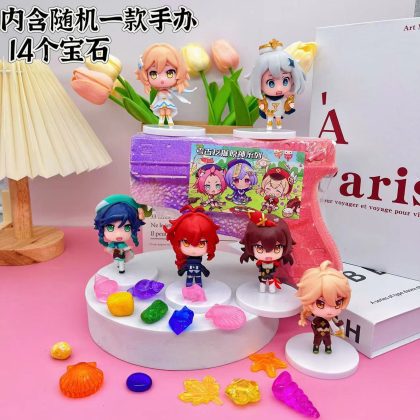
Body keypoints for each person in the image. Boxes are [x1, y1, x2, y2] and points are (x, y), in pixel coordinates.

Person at [296, 261, 351, 354]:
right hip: (319, 332)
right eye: (320, 304)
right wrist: (317, 330)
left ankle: (328, 348)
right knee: (317, 340)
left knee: (327, 340)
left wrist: (340, 328)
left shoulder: (332, 318)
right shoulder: (316, 320)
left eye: (337, 303)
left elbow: (337, 323)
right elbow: (313, 325)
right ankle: (316, 347)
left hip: (327, 333)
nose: (329, 310)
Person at [163, 205, 219, 287]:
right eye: (186, 243)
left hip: (198, 274)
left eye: (201, 244)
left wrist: (205, 271)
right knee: (189, 281)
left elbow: (202, 268)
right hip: (190, 274)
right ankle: (189, 286)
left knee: (198, 281)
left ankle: (198, 286)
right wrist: (181, 271)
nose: (193, 249)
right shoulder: (188, 262)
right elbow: (185, 267)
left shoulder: (198, 262)